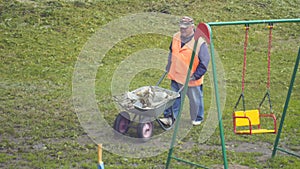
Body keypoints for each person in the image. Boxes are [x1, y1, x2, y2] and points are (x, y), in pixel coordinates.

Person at [159, 16, 210, 126]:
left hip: (191, 77)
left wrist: (196, 75)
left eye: (185, 28)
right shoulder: (176, 37)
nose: (182, 30)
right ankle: (170, 117)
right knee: (174, 97)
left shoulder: (200, 43)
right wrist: (169, 65)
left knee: (195, 99)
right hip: (176, 74)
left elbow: (205, 62)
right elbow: (172, 52)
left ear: (192, 27)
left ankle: (197, 117)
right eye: (181, 28)